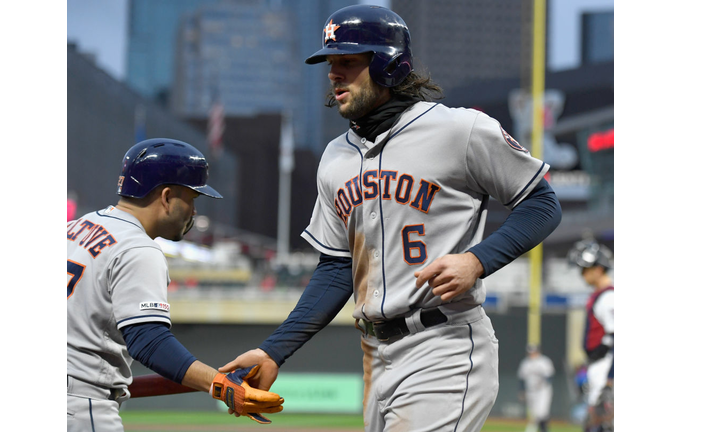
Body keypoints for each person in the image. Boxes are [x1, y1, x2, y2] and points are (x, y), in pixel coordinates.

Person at [220, 5, 562, 432]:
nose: (334, 74)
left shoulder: (459, 130)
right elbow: (337, 269)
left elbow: (541, 203)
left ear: (389, 64)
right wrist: (274, 351)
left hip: (444, 344)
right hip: (374, 355)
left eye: (348, 62)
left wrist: (476, 261)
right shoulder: (335, 158)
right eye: (331, 64)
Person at [67, 138, 284, 432]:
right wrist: (221, 385)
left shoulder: (75, 227)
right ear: (167, 197)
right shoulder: (137, 248)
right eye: (192, 198)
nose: (193, 211)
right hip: (79, 407)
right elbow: (149, 341)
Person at [568, 239, 614, 432]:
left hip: (606, 368)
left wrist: (611, 379)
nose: (582, 275)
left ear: (598, 269)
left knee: (602, 425)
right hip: (599, 368)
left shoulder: (608, 297)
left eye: (585, 269)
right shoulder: (601, 295)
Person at [517, 345, 555, 432]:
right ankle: (544, 429)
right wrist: (521, 390)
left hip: (543, 391)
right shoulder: (525, 363)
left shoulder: (544, 361)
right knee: (534, 414)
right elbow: (521, 378)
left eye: (533, 352)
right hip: (530, 391)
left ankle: (532, 429)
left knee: (541, 412)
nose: (532, 354)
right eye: (530, 352)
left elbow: (550, 376)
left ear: (538, 351)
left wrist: (543, 383)